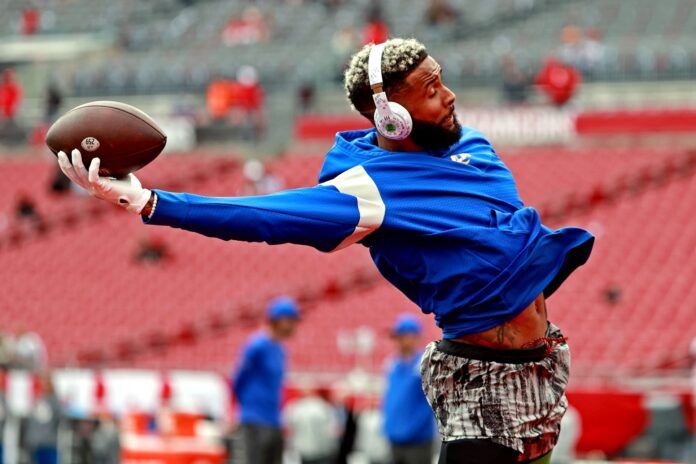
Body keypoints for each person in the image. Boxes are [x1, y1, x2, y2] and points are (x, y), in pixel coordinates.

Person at [56, 37, 594, 463]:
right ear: (391, 119)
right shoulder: (369, 190)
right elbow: (261, 217)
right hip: (483, 378)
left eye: (442, 80)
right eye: (430, 89)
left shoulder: (471, 145)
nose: (449, 95)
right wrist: (150, 201)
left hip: (541, 369)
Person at [231, 297, 300, 464]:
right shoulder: (258, 346)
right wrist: (247, 406)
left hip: (273, 420)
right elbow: (239, 379)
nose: (294, 326)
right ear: (281, 320)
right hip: (255, 421)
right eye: (292, 321)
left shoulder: (280, 350)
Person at [383, 315, 435, 464]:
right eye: (398, 336)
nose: (399, 340)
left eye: (403, 335)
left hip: (418, 441)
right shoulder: (392, 365)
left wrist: (412, 428)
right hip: (395, 439)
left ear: (414, 337)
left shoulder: (423, 365)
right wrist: (389, 427)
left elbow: (430, 403)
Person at [284, 387, 339, 464]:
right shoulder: (324, 407)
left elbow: (289, 430)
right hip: (321, 450)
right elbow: (332, 430)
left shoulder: (294, 407)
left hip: (305, 450)